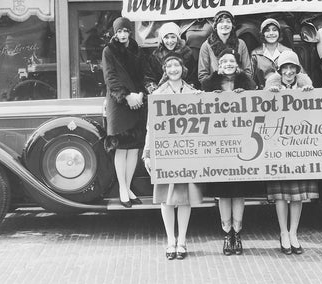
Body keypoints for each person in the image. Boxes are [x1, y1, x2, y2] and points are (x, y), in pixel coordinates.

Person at [142, 52, 203, 260]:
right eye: (169, 67)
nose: (173, 69)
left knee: (184, 199)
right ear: (165, 71)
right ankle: (170, 241)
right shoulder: (158, 94)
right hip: (165, 153)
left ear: (182, 68)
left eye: (176, 66)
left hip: (185, 152)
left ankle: (183, 241)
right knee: (166, 200)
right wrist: (148, 153)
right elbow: (151, 126)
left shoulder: (193, 92)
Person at [201, 48, 257, 255]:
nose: (228, 64)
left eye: (231, 61)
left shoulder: (247, 82)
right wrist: (208, 96)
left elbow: (257, 104)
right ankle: (227, 233)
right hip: (220, 146)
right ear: (218, 65)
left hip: (242, 145)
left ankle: (238, 232)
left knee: (239, 192)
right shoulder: (209, 84)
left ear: (237, 63)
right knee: (223, 193)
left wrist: (248, 95)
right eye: (223, 61)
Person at [264, 50, 317, 255]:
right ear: (280, 70)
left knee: (297, 195)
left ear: (296, 70)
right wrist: (270, 94)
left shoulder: (303, 86)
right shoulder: (272, 86)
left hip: (298, 146)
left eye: (291, 68)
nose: (288, 72)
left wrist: (310, 93)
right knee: (281, 194)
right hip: (279, 146)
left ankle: (294, 232)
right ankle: (283, 232)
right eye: (284, 68)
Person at [102, 17, 148, 208]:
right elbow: (110, 77)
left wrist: (140, 95)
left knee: (134, 148)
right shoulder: (109, 51)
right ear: (115, 33)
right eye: (119, 32)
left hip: (137, 102)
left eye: (125, 31)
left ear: (130, 32)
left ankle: (128, 188)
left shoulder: (137, 50)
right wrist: (127, 96)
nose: (122, 35)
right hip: (120, 104)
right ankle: (123, 189)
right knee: (121, 148)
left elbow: (144, 75)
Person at [198, 10, 252, 86]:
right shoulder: (206, 45)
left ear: (232, 25)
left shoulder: (241, 44)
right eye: (221, 22)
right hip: (215, 90)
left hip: (238, 90)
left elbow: (248, 71)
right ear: (215, 25)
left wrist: (241, 86)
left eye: (228, 21)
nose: (225, 24)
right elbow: (202, 75)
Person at [144, 22, 197, 92]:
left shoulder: (187, 53)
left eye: (173, 37)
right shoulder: (155, 56)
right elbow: (149, 78)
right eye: (166, 37)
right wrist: (154, 90)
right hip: (162, 94)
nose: (170, 41)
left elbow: (193, 77)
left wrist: (188, 90)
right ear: (162, 39)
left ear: (178, 38)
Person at [251, 18, 293, 89]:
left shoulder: (288, 52)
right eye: (267, 30)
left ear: (279, 33)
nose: (271, 33)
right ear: (262, 34)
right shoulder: (255, 54)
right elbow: (251, 79)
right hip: (264, 95)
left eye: (274, 30)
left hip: (286, 94)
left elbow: (300, 75)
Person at [0, 35, 27, 101]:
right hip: (2, 90)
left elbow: (23, 75)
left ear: (15, 45)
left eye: (11, 43)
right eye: (8, 43)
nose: (10, 45)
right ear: (5, 45)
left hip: (16, 91)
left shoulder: (21, 59)